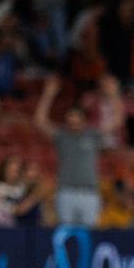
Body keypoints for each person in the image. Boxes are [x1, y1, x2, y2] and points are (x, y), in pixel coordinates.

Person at [34, 73, 123, 227]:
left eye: (77, 122)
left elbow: (117, 121)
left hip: (89, 192)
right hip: (66, 191)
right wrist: (48, 95)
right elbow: (40, 121)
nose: (73, 126)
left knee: (89, 233)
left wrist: (114, 95)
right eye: (70, 122)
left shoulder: (92, 135)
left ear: (83, 122)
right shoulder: (62, 136)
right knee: (66, 231)